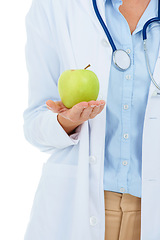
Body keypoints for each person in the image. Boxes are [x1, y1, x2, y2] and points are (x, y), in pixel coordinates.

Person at [23, 0, 160, 239]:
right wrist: (66, 123)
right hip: (80, 207)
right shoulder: (54, 7)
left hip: (152, 210)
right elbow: (34, 122)